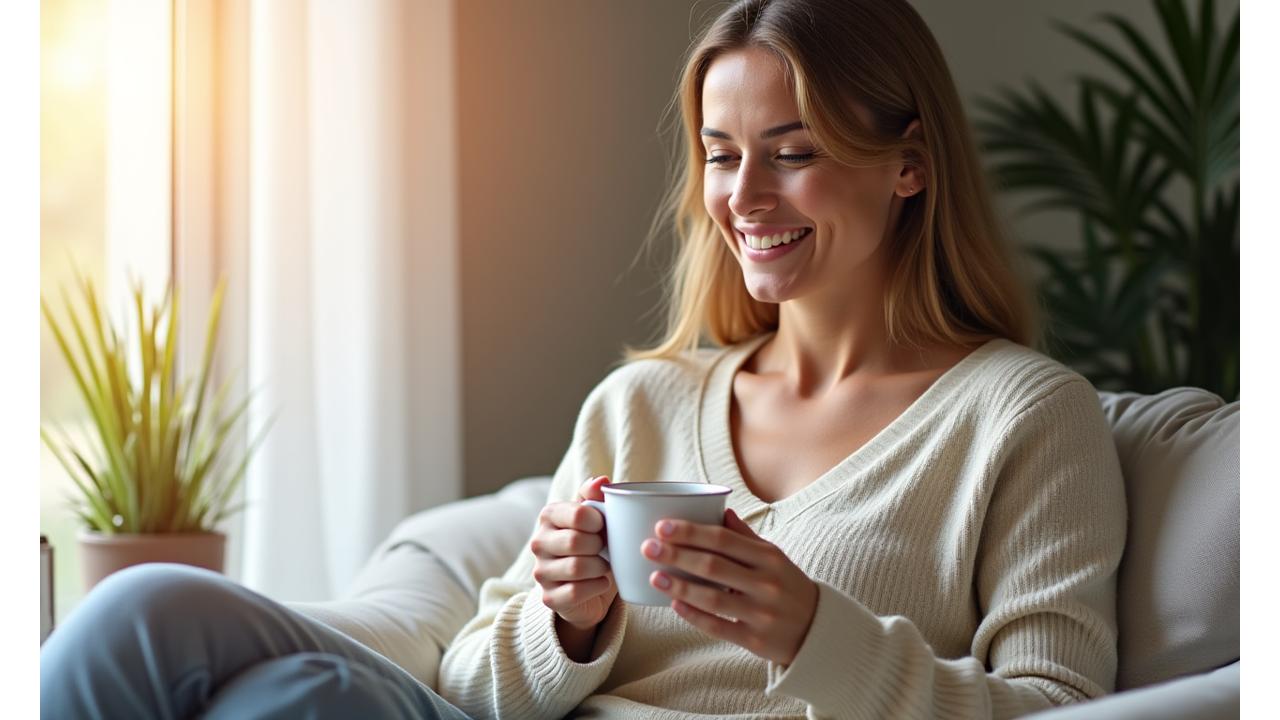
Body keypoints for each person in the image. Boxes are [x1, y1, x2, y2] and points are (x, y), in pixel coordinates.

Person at [40, 0, 1126, 718]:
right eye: (720, 155)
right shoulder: (641, 406)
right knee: (145, 619)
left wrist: (814, 634)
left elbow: (1064, 709)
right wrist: (569, 620)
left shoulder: (1021, 417)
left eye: (792, 155)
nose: (742, 199)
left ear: (906, 165)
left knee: (283, 702)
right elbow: (471, 679)